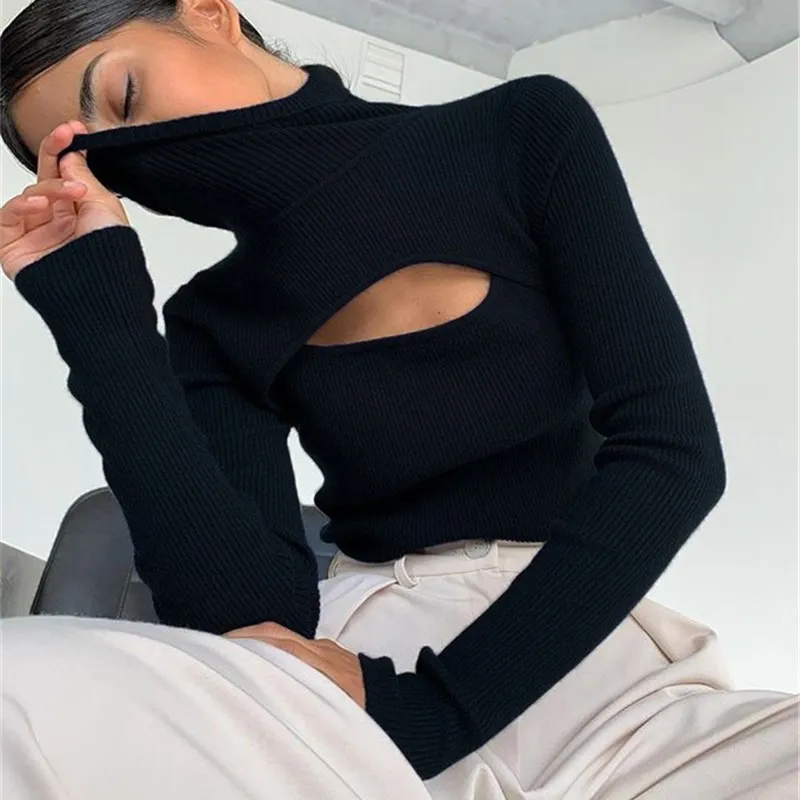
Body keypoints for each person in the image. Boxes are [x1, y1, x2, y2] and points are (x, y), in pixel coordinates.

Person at [0, 0, 797, 798]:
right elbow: (247, 617)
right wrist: (96, 313)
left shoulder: (519, 132)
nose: (139, 156)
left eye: (126, 98)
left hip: (590, 657)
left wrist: (438, 711)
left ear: (210, 15)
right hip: (357, 665)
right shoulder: (216, 320)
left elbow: (672, 455)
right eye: (99, 164)